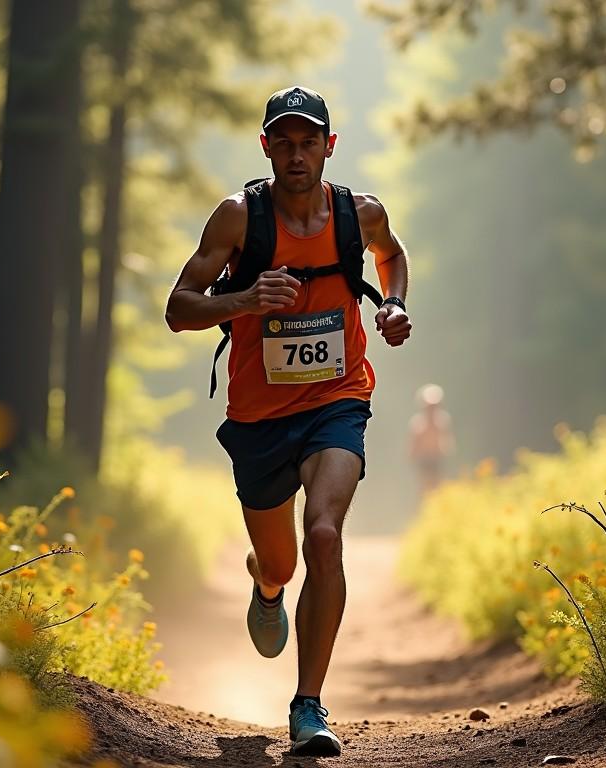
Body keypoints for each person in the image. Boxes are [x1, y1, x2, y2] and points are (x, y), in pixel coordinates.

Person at [164, 85, 411, 757]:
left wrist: (389, 306)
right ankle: (267, 581)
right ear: (265, 145)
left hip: (338, 398)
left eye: (309, 142)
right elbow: (179, 308)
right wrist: (245, 298)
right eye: (284, 141)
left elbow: (392, 254)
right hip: (259, 417)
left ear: (329, 147)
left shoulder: (358, 214)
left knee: (324, 535)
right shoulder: (238, 219)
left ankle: (308, 705)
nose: (296, 154)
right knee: (282, 558)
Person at [408, 383, 454, 496]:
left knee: (438, 488)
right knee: (425, 489)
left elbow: (447, 443)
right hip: (423, 462)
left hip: (437, 460)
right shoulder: (418, 423)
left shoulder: (442, 422)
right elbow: (412, 448)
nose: (432, 409)